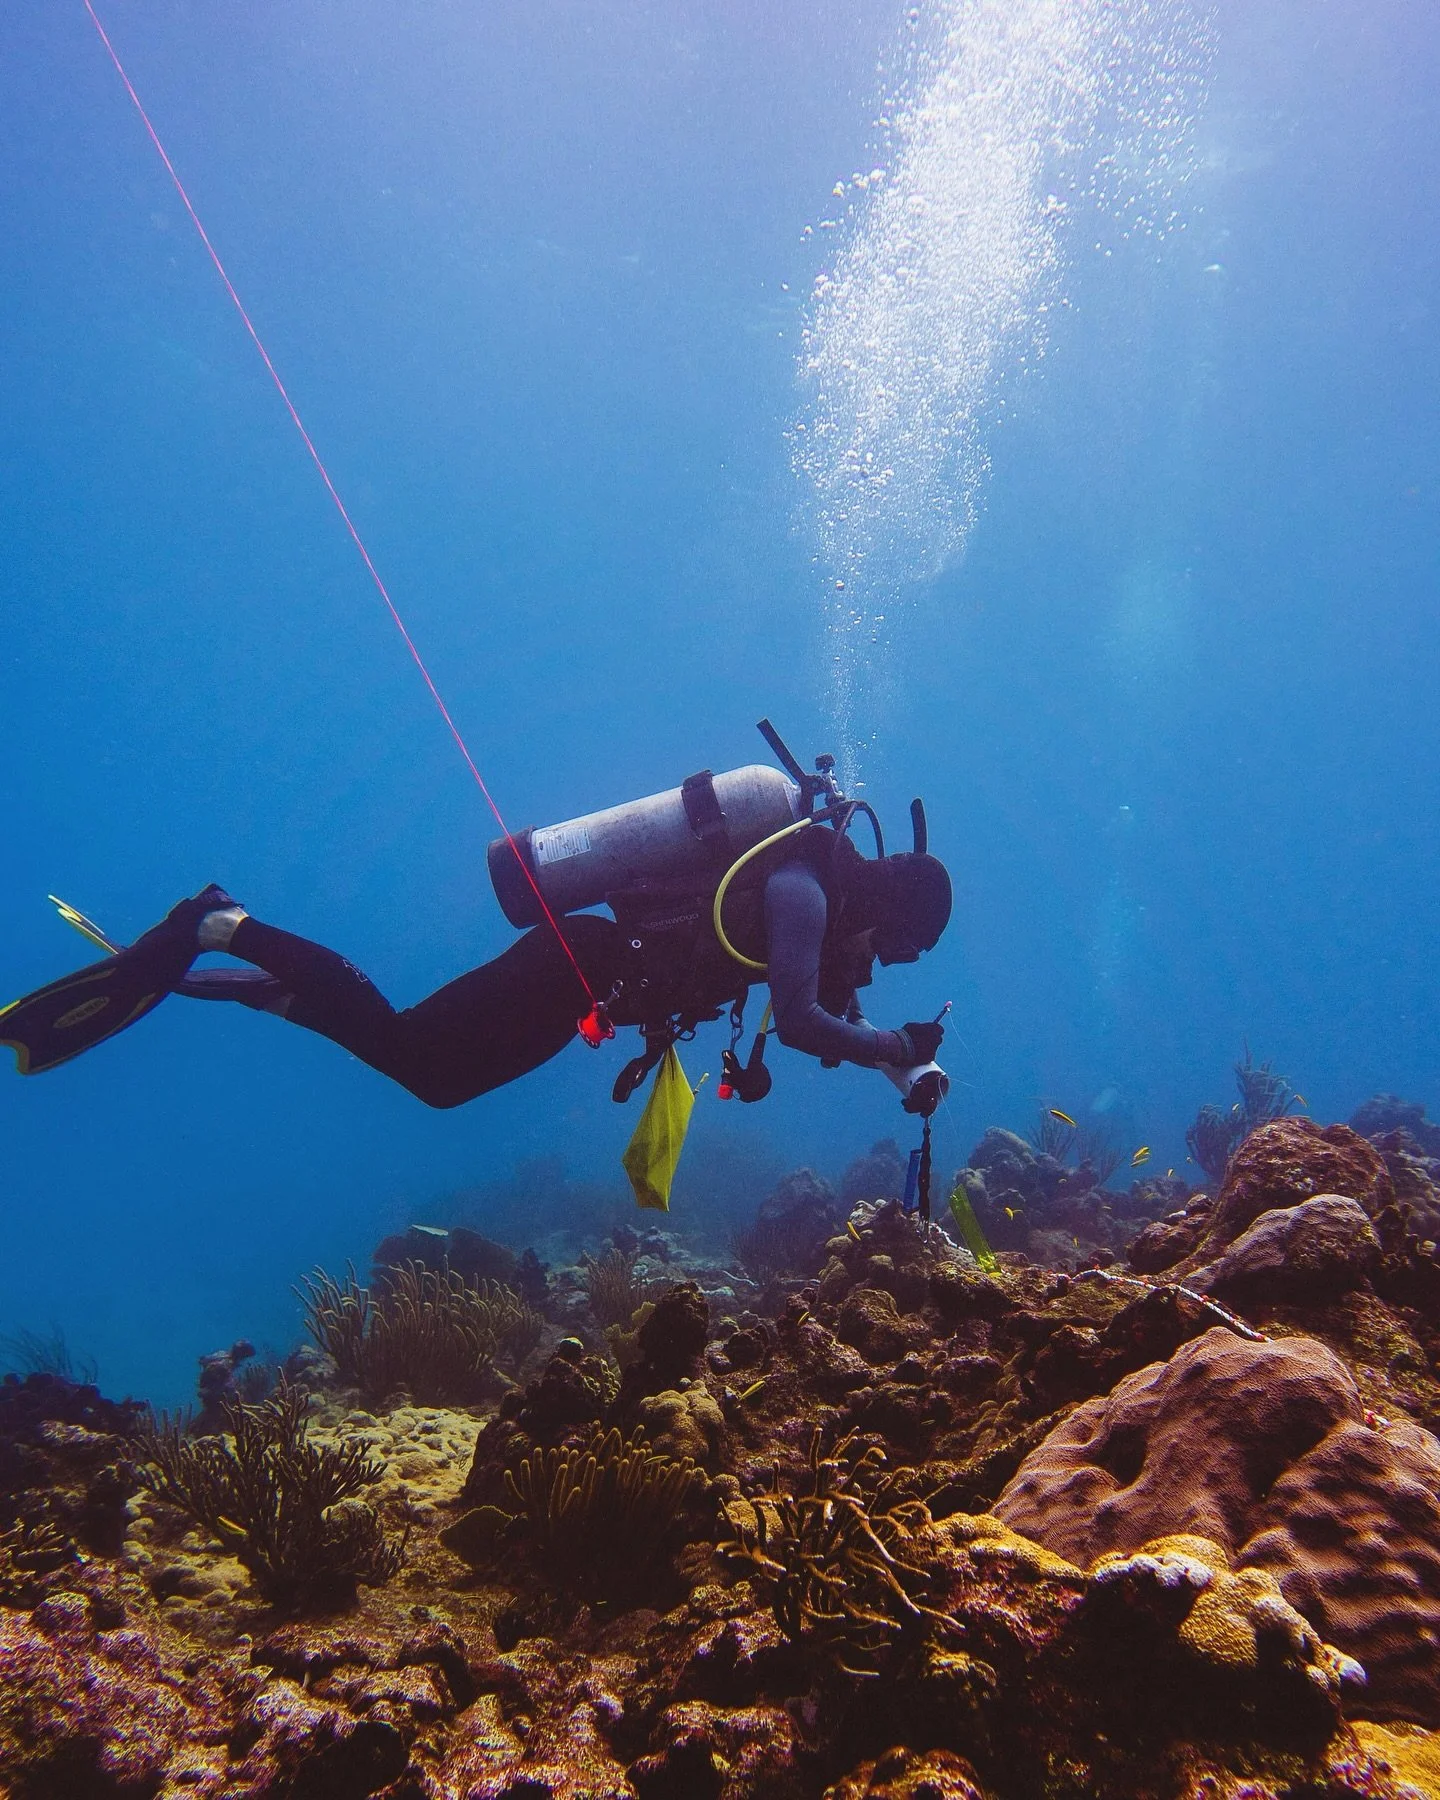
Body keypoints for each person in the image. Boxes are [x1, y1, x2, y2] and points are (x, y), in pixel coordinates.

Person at [2, 826, 952, 1102]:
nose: (891, 959)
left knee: (439, 1083)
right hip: (578, 962)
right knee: (414, 1046)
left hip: (595, 985)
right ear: (891, 905)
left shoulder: (824, 910)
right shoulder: (803, 892)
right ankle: (226, 925)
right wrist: (893, 1048)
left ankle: (286, 995)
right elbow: (801, 1023)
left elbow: (832, 1014)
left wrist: (901, 1062)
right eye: (905, 943)